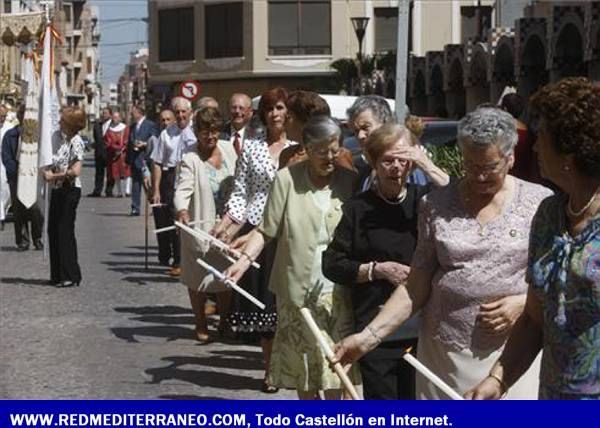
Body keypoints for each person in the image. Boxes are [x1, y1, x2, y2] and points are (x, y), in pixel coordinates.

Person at [333, 106, 553, 399]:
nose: (479, 177)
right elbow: (416, 285)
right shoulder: (434, 205)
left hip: (514, 353)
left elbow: (560, 282)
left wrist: (526, 303)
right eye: (471, 166)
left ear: (510, 157)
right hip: (444, 354)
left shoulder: (542, 203)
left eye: (490, 167)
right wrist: (367, 338)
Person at [466, 77, 600, 400]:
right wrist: (498, 379)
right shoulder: (548, 216)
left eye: (543, 138)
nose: (535, 146)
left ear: (569, 155)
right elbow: (533, 319)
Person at [226, 116, 360, 399]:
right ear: (307, 149)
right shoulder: (286, 180)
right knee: (306, 370)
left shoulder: (350, 182)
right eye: (322, 151)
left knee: (335, 369)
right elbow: (266, 230)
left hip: (338, 291)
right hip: (297, 292)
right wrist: (243, 262)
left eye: (334, 149)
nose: (329, 157)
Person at [322, 123, 449, 399]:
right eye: (387, 161)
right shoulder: (358, 209)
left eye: (403, 161)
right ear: (373, 163)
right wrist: (376, 270)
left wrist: (427, 164)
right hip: (376, 331)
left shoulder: (425, 201)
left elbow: (462, 201)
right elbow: (332, 263)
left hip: (423, 331)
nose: (396, 168)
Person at [212, 87, 294, 394]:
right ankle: (270, 369)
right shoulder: (252, 148)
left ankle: (291, 365)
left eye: (280, 108)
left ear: (289, 112)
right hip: (258, 230)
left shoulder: (300, 148)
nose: (275, 114)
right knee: (266, 305)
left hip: (291, 231)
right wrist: (225, 226)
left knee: (289, 303)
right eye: (270, 108)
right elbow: (240, 193)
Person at [174, 107, 237, 343]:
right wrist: (181, 210)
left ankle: (224, 321)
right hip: (200, 225)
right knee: (198, 277)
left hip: (228, 226)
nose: (210, 137)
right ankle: (200, 322)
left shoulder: (229, 149)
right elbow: (183, 188)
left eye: (214, 131)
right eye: (205, 132)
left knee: (226, 277)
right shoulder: (190, 158)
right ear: (196, 132)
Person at [150, 97, 197, 277]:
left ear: (190, 112)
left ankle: (187, 260)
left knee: (188, 218)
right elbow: (157, 162)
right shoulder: (166, 133)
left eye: (183, 111)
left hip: (190, 174)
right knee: (173, 220)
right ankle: (178, 261)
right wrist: (156, 190)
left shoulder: (196, 131)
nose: (180, 115)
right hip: (170, 176)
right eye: (177, 112)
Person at [41, 107, 87, 287]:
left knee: (64, 231)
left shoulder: (76, 142)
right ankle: (57, 274)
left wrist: (54, 176)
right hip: (57, 189)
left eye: (63, 120)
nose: (60, 122)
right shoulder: (56, 138)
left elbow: (75, 171)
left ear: (71, 124)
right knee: (53, 230)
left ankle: (70, 274)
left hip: (70, 190)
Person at [1, 105, 43, 250]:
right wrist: (17, 172)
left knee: (36, 209)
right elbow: (6, 157)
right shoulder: (10, 135)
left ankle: (37, 237)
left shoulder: (37, 134)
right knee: (19, 210)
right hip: (16, 177)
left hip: (33, 176)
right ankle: (22, 240)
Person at [278, 90, 353, 171]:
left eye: (288, 117)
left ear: (304, 121)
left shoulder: (338, 155)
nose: (283, 122)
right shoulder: (286, 154)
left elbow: (348, 181)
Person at [149, 109, 176, 266]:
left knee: (174, 219)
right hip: (163, 178)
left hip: (175, 177)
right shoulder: (159, 137)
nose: (165, 123)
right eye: (162, 120)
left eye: (168, 119)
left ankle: (177, 257)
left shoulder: (182, 134)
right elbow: (153, 161)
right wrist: (155, 187)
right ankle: (164, 253)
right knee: (162, 219)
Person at [500, 93, 541, 183]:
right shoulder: (530, 134)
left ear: (505, 109)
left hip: (505, 181)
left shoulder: (500, 134)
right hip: (526, 181)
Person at [126, 104, 158, 216]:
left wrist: (144, 144)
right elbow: (129, 142)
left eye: (133, 112)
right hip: (135, 158)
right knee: (135, 184)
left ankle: (154, 206)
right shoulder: (133, 126)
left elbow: (154, 139)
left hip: (146, 158)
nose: (132, 114)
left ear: (139, 113)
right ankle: (135, 207)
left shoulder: (150, 125)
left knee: (149, 184)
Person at [104, 111, 130, 197]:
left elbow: (127, 139)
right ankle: (119, 191)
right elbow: (108, 142)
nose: (115, 119)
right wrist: (115, 148)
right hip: (114, 155)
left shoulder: (125, 128)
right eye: (113, 117)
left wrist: (122, 148)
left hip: (124, 154)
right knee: (116, 174)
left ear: (120, 118)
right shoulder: (109, 129)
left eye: (116, 117)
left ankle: (127, 190)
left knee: (127, 173)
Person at [87, 107, 111, 197]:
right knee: (99, 173)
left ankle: (109, 191)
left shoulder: (113, 125)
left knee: (110, 173)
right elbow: (96, 138)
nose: (103, 115)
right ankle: (97, 190)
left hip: (109, 153)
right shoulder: (97, 125)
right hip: (99, 152)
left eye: (105, 113)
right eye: (103, 113)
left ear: (110, 115)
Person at [0, 104, 12, 230]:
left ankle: (3, 211)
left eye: (4, 116)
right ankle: (1, 217)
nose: (2, 119)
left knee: (6, 191)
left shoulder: (9, 128)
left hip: (5, 164)